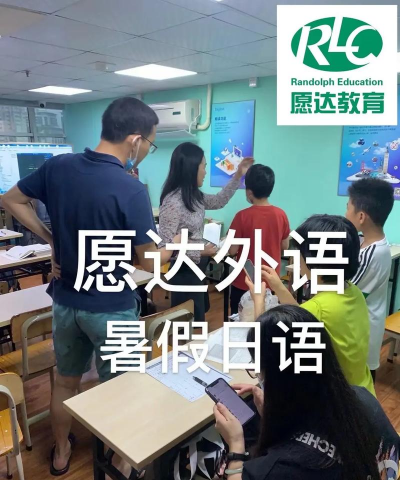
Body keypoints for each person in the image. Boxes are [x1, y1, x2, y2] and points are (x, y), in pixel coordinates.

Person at [1, 97, 174, 476]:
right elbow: (147, 261)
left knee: (65, 383)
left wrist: (52, 239)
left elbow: (11, 199)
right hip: (111, 307)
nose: (147, 151)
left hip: (65, 303)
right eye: (150, 143)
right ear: (135, 140)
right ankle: (118, 458)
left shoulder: (59, 166)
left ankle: (61, 454)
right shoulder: (131, 189)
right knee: (124, 385)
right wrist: (171, 249)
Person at [213, 305, 399, 480]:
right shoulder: (362, 397)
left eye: (258, 369)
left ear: (278, 379)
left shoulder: (282, 466)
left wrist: (235, 445)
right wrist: (273, 414)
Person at [252, 214, 375, 396]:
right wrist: (278, 286)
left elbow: (262, 353)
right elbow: (303, 315)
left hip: (336, 403)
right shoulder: (353, 291)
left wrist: (258, 301)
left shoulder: (317, 310)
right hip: (363, 393)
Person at [159, 142, 253, 321]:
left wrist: (238, 175)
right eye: (204, 166)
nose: (205, 171)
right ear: (192, 168)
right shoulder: (172, 203)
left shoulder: (194, 196)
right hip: (183, 273)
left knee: (198, 317)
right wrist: (201, 251)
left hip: (197, 269)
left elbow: (219, 201)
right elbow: (165, 248)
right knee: (187, 324)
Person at [346, 178, 394, 382]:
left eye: (348, 207)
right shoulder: (371, 243)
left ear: (361, 216)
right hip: (363, 327)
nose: (346, 213)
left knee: (358, 384)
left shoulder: (371, 254)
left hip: (361, 331)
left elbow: (344, 291)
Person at [228, 164, 290, 314]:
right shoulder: (281, 215)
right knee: (267, 322)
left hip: (245, 282)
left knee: (241, 321)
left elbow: (232, 250)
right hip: (271, 283)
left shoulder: (241, 216)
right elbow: (285, 246)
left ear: (249, 192)